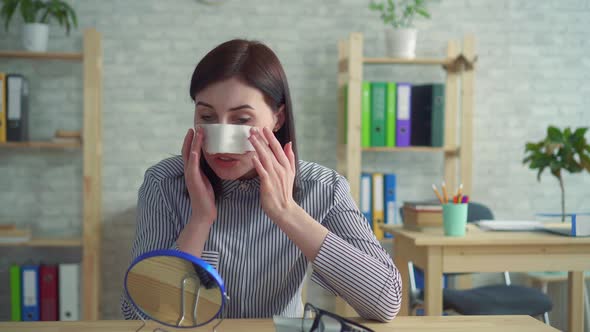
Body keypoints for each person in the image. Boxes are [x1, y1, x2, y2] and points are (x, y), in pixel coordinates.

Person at [121, 39, 402, 321]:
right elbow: (137, 316)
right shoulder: (164, 184)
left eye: (242, 119)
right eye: (207, 116)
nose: (221, 142)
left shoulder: (324, 189)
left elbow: (386, 302)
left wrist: (287, 212)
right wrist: (200, 220)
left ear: (277, 119)